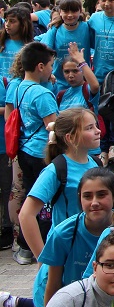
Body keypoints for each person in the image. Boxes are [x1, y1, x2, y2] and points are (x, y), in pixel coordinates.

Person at [1, 168, 114, 307]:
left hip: (93, 300)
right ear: (79, 199)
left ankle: (14, 305)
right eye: (87, 196)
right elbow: (53, 285)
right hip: (57, 297)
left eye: (102, 194)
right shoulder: (64, 233)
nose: (94, 202)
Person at [19, 108, 101, 261]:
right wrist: (43, 258)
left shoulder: (96, 163)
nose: (98, 131)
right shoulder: (55, 170)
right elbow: (26, 215)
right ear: (70, 138)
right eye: (90, 128)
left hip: (93, 248)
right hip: (65, 251)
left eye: (96, 126)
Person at [8, 41, 58, 264]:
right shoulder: (42, 94)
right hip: (42, 154)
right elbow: (54, 127)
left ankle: (26, 247)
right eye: (50, 66)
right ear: (40, 66)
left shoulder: (18, 87)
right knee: (47, 203)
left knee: (31, 198)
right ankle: (46, 246)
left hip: (24, 150)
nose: (51, 71)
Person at [40, 0, 91, 84]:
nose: (70, 15)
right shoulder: (55, 29)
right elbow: (44, 52)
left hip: (82, 82)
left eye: (74, 11)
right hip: (59, 82)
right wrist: (48, 74)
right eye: (66, 11)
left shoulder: (87, 28)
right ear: (60, 12)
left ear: (80, 11)